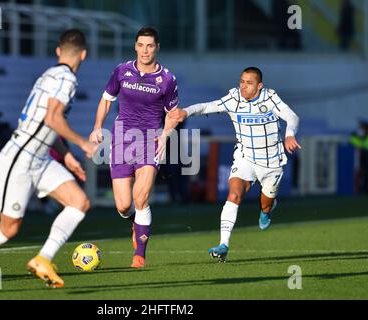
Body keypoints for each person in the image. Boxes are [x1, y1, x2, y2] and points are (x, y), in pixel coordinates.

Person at [0, 29, 98, 295]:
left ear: (58, 51)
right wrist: (82, 144)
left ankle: (43, 259)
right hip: (20, 158)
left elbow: (47, 122)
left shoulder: (49, 74)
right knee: (9, 228)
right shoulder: (66, 78)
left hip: (40, 157)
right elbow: (53, 119)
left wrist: (66, 155)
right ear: (83, 54)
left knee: (79, 203)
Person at [169, 67, 301, 262]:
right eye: (242, 81)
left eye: (249, 83)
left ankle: (267, 210)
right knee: (234, 194)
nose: (243, 86)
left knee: (265, 204)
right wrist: (185, 112)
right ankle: (224, 244)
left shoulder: (270, 98)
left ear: (259, 86)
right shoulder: (234, 99)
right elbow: (207, 107)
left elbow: (292, 117)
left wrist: (289, 134)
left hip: (271, 161)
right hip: (245, 158)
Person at [89, 27, 180, 268]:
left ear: (157, 48)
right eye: (141, 45)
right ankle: (134, 221)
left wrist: (166, 136)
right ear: (135, 46)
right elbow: (106, 100)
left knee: (141, 198)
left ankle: (139, 254)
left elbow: (173, 114)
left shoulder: (167, 79)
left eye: (150, 45)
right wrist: (98, 126)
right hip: (121, 140)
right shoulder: (122, 71)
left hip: (150, 141)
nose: (145, 50)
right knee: (123, 205)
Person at [349, 120, 368, 194]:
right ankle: (364, 189)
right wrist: (354, 136)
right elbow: (353, 141)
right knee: (363, 173)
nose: (360, 129)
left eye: (361, 128)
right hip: (363, 155)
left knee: (367, 172)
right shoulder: (360, 137)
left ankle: (366, 189)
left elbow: (365, 145)